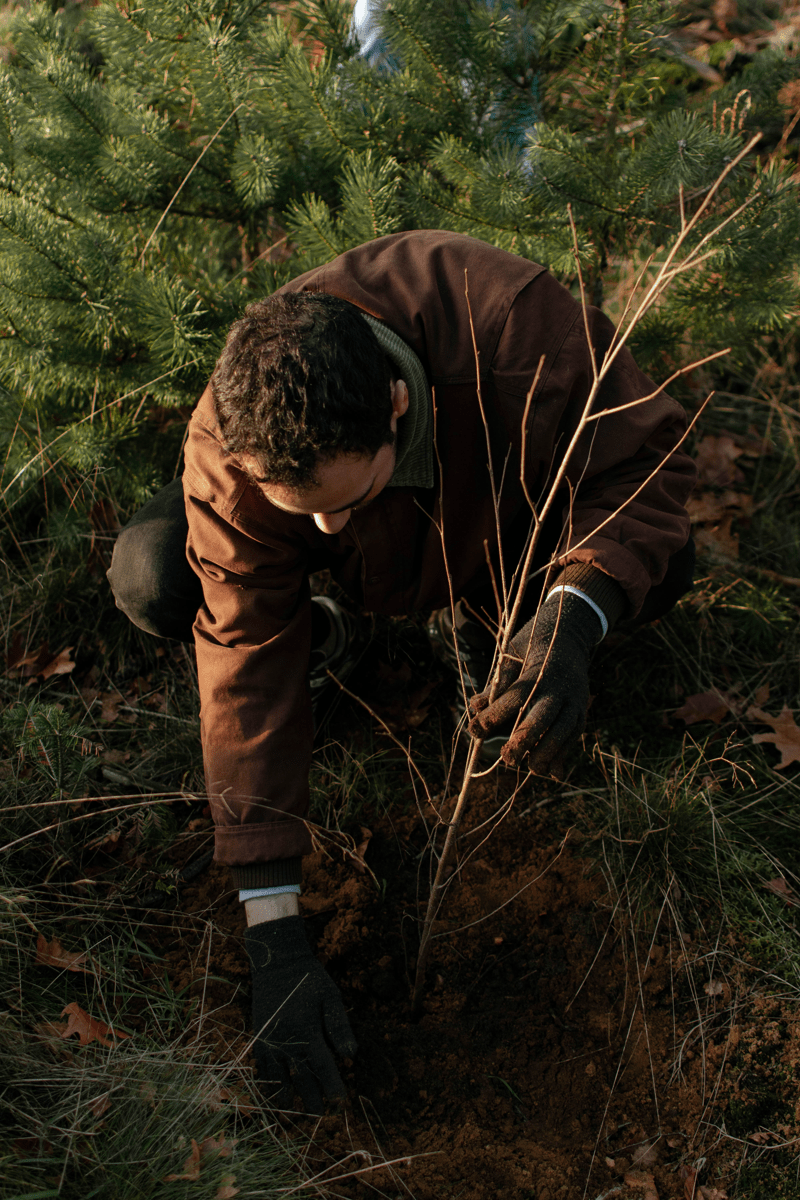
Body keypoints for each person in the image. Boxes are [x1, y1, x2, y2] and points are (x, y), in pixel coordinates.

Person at [108, 229, 697, 1112]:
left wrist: (573, 619)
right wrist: (273, 929)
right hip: (359, 549)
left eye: (345, 502)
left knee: (662, 567)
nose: (326, 532)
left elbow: (644, 465)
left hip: (488, 513)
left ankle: (481, 611)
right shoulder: (229, 450)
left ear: (394, 405)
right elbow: (243, 659)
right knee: (155, 575)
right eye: (301, 513)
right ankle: (337, 628)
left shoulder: (511, 325)